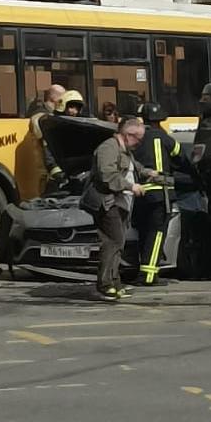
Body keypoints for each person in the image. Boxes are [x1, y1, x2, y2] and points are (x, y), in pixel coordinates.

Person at [81, 118, 146, 301]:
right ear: (127, 135)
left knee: (119, 243)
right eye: (138, 139)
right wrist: (131, 187)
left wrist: (150, 173)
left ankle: (115, 282)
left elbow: (135, 168)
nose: (139, 144)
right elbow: (107, 175)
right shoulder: (108, 149)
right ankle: (105, 285)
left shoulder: (124, 150)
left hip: (121, 204)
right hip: (108, 203)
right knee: (112, 242)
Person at [132, 101, 195, 286]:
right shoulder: (165, 138)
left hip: (139, 194)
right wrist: (195, 174)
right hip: (160, 194)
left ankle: (143, 271)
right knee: (157, 233)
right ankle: (149, 276)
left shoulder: (136, 139)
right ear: (161, 119)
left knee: (144, 232)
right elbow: (182, 159)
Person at [30, 84, 66, 190]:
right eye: (63, 97)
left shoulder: (51, 115)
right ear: (54, 98)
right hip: (45, 170)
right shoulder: (41, 116)